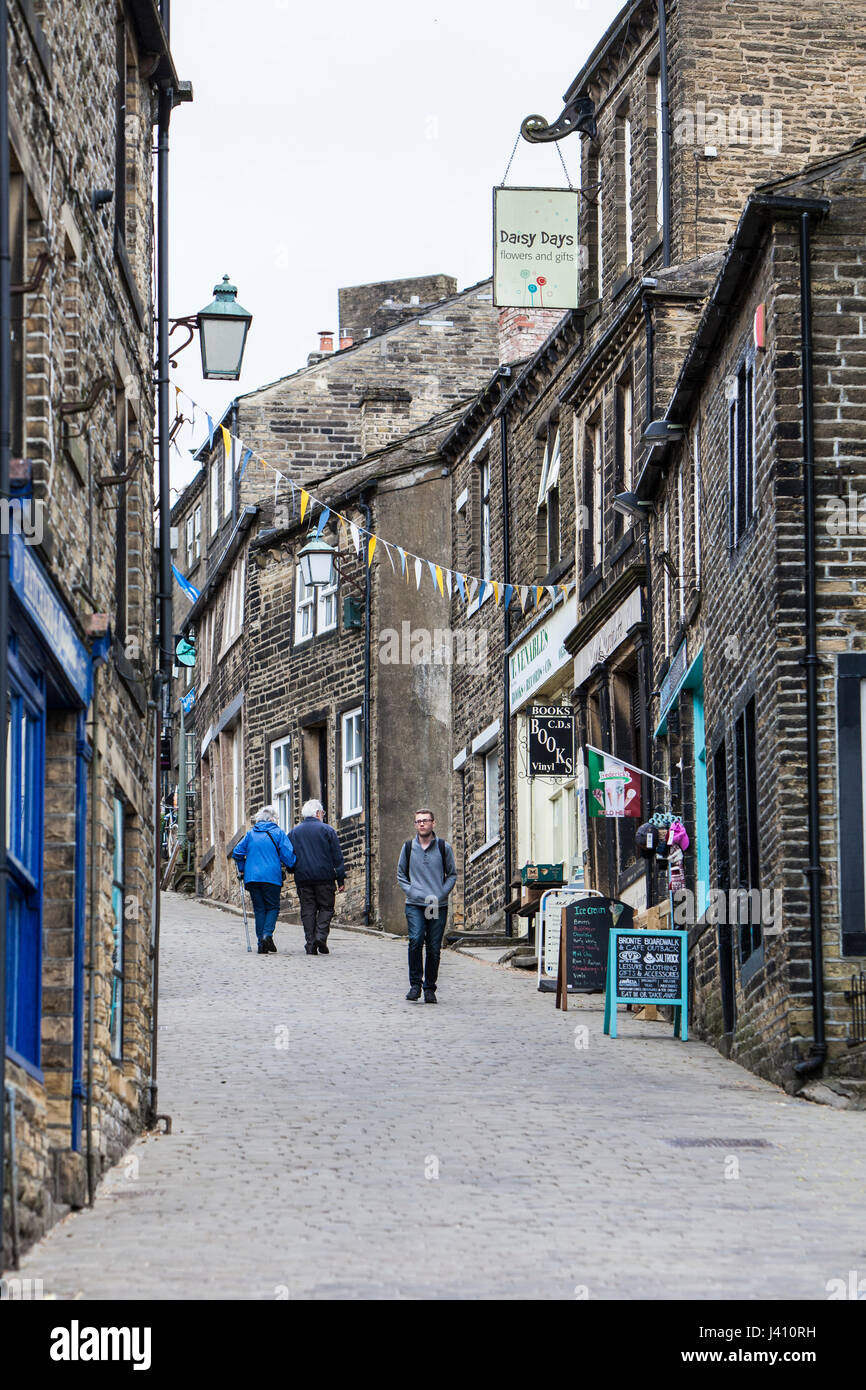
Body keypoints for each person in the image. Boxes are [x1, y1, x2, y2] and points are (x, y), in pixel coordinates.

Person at [397, 809, 457, 1004]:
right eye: (418, 821)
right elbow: (401, 876)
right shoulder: (407, 848)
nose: (421, 824)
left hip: (436, 905)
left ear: (433, 823)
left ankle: (429, 988)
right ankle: (415, 985)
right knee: (415, 940)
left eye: (425, 821)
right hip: (415, 904)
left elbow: (452, 874)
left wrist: (441, 894)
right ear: (415, 825)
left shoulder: (443, 847)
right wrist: (412, 892)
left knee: (433, 947)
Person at [232, 807, 297, 954]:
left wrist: (242, 869)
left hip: (252, 878)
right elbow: (288, 856)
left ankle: (261, 943)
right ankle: (267, 934)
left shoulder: (250, 834)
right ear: (273, 819)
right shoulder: (278, 833)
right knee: (273, 907)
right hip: (271, 877)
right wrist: (292, 865)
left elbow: (237, 852)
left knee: (259, 909)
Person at [290, 800, 346, 955]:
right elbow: (337, 857)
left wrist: (292, 869)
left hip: (303, 878)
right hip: (324, 877)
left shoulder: (294, 833)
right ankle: (320, 936)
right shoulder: (327, 830)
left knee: (308, 910)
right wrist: (340, 879)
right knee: (326, 907)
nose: (322, 815)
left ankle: (310, 943)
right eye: (322, 813)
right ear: (317, 813)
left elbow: (289, 855)